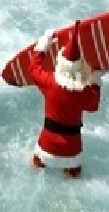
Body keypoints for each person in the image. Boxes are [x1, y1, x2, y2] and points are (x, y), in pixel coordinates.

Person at [29, 21, 102, 178]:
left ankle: (35, 170)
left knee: (36, 165)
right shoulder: (84, 90)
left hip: (47, 145)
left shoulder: (49, 82)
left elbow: (33, 69)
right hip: (72, 149)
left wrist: (43, 47)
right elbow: (94, 106)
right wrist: (96, 80)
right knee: (74, 175)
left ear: (60, 62)